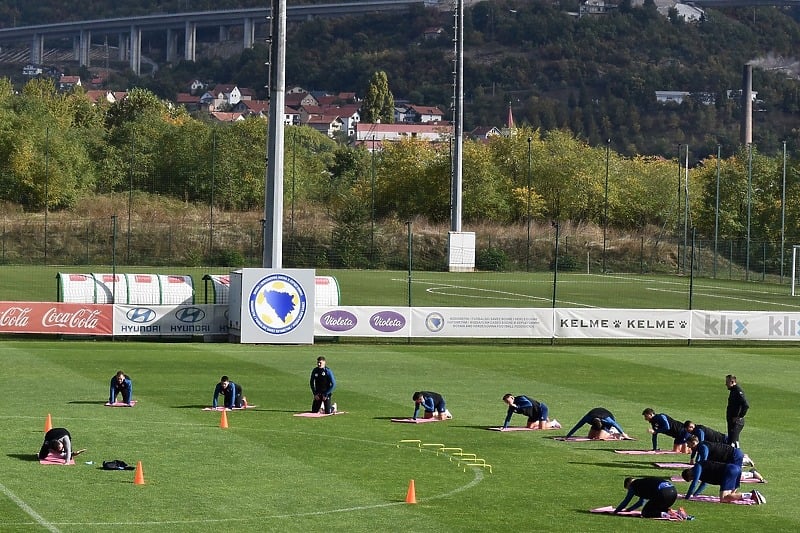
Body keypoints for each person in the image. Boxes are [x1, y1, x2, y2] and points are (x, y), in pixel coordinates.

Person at [681, 461, 765, 504]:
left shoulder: (697, 467)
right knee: (729, 498)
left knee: (723, 498)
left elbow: (695, 483)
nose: (693, 478)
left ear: (689, 473)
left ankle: (751, 495)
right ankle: (751, 493)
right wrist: (695, 495)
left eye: (691, 478)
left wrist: (687, 497)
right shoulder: (701, 473)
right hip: (735, 469)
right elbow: (704, 483)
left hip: (729, 471)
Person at [613, 477, 679, 518]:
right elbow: (641, 503)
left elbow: (626, 501)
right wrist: (628, 510)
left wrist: (616, 511)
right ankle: (675, 512)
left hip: (663, 494)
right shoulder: (643, 483)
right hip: (673, 493)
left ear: (628, 484)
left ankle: (664, 514)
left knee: (645, 513)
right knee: (655, 508)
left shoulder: (633, 485)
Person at [564, 407, 630, 439]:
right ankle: (600, 430)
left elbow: (615, 424)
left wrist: (624, 434)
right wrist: (568, 436)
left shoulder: (607, 420)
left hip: (607, 425)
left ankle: (612, 432)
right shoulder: (587, 418)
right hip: (595, 420)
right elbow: (577, 426)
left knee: (600, 438)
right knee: (590, 437)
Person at [725, 374, 749, 448]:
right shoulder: (733, 391)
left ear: (732, 382)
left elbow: (746, 405)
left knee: (732, 444)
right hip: (732, 421)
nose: (725, 384)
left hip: (736, 422)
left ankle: (736, 458)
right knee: (735, 442)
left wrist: (740, 416)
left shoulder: (738, 391)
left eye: (727, 382)